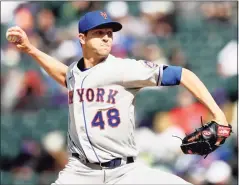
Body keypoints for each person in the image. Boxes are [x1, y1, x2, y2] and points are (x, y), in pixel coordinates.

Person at [6, 10, 229, 185]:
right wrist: (31, 50)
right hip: (80, 173)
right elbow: (66, 76)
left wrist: (218, 113)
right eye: (99, 33)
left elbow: (183, 74)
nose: (106, 38)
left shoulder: (124, 69)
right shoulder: (76, 72)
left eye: (109, 33)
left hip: (125, 172)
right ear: (82, 38)